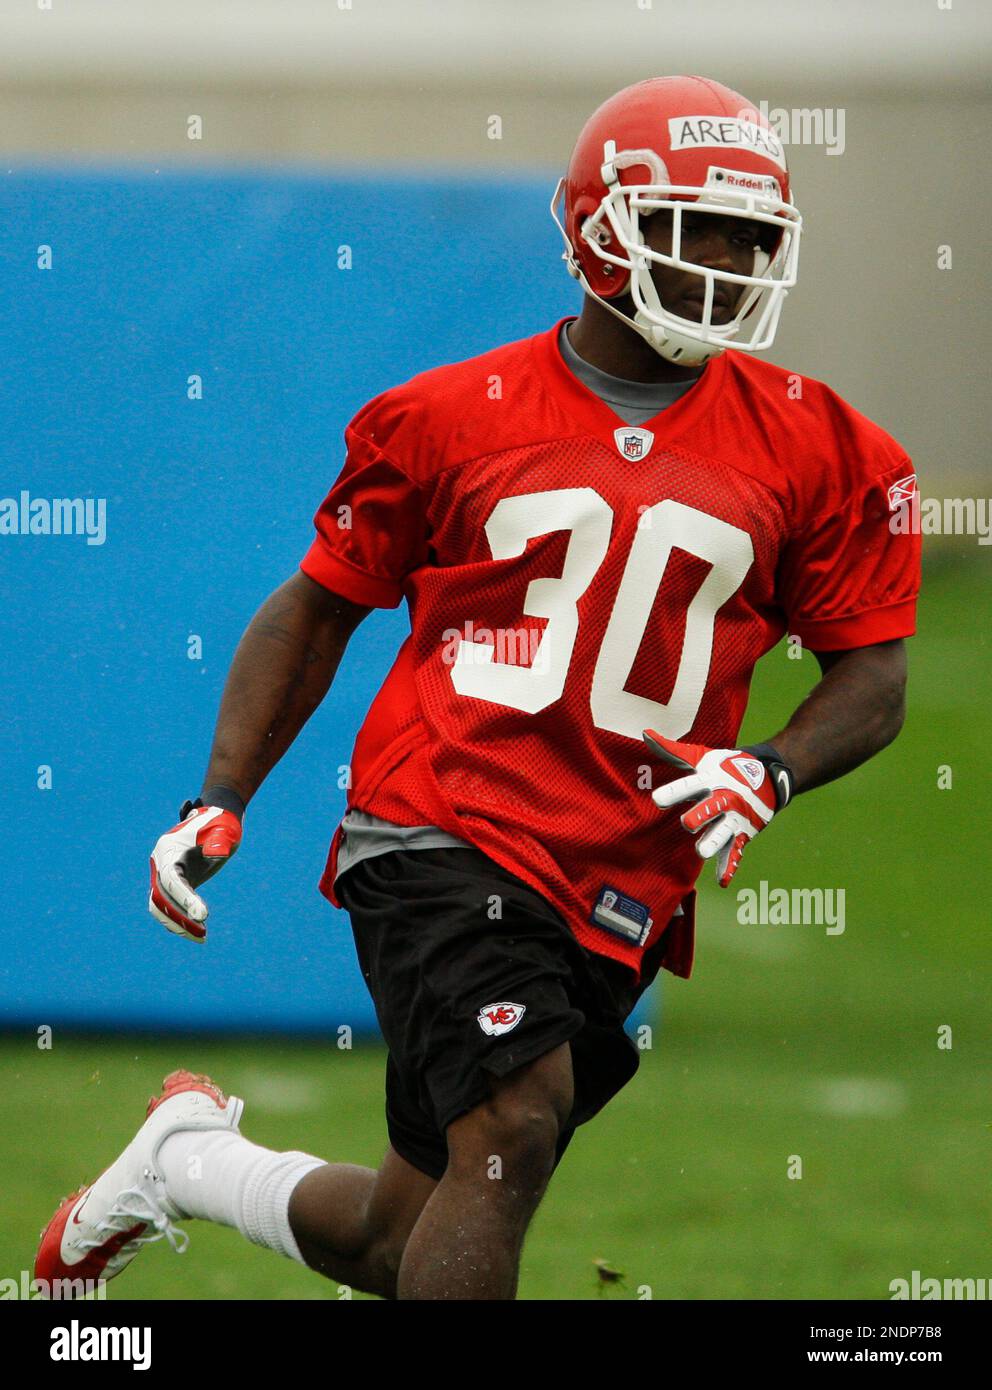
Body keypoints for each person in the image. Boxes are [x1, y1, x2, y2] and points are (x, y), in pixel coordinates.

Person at [37, 75, 920, 1301]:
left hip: (617, 873)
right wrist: (220, 794)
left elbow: (871, 670)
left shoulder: (825, 447)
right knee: (511, 1124)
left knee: (403, 1234)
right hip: (439, 821)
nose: (722, 260)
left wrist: (771, 763)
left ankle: (184, 1163)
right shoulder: (449, 414)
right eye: (689, 226)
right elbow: (317, 607)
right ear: (598, 228)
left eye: (747, 235)